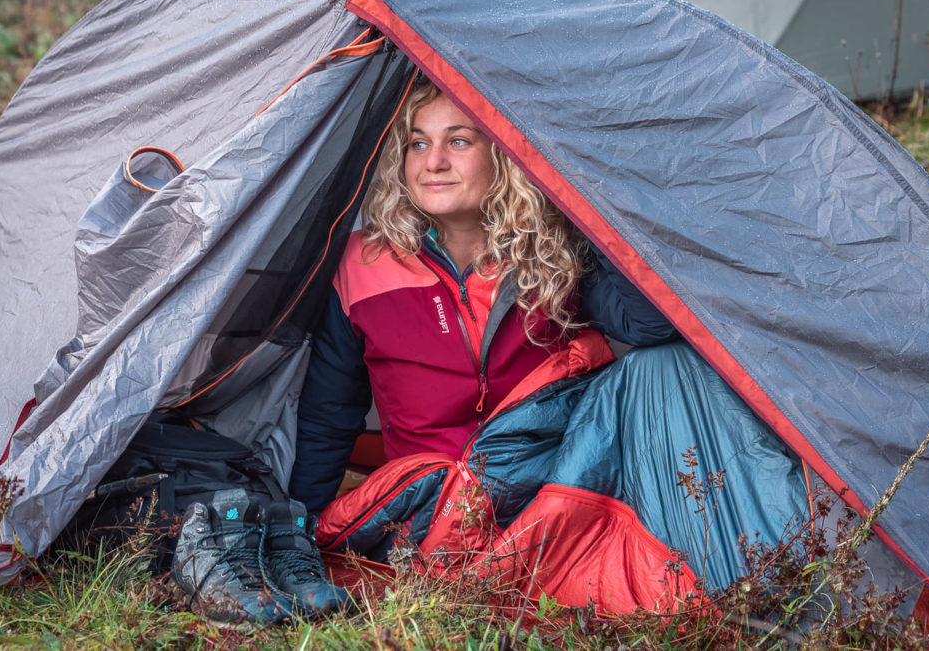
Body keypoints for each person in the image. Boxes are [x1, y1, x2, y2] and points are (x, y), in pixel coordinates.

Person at [290, 77, 677, 515]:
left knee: (668, 366)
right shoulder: (361, 262)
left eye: (457, 141)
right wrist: (302, 530)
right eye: (418, 145)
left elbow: (650, 326)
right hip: (422, 514)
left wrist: (581, 204)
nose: (433, 162)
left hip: (542, 509)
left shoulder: (552, 251)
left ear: (501, 155)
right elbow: (329, 415)